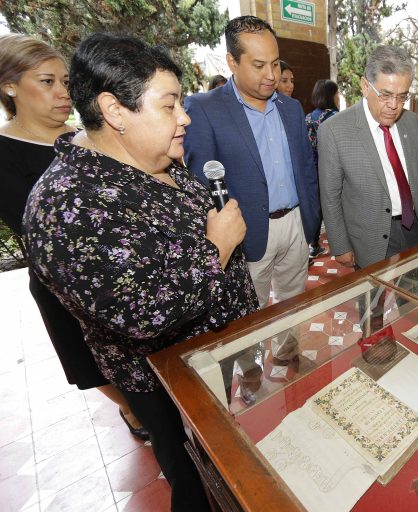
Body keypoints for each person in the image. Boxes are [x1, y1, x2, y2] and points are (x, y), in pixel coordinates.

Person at [23, 33, 258, 511]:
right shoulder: (66, 201)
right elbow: (140, 311)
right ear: (114, 111)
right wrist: (217, 247)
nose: (185, 118)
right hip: (169, 384)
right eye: (170, 105)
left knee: (241, 468)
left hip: (219, 356)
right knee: (200, 485)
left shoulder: (159, 160)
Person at [0, 33, 149, 440]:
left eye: (65, 82)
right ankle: (131, 410)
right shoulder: (5, 152)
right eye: (47, 82)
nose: (63, 92)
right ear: (9, 85)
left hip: (128, 270)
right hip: (64, 285)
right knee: (90, 364)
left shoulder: (85, 136)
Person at [184, 16, 321, 307]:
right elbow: (200, 188)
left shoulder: (292, 108)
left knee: (294, 307)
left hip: (296, 225)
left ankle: (287, 354)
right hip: (247, 234)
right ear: (232, 62)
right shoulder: (204, 108)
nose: (271, 75)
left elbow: (307, 170)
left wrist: (310, 221)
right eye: (259, 65)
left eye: (275, 63)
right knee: (248, 318)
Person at [318, 45, 418, 270]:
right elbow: (330, 196)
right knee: (372, 304)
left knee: (415, 299)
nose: (394, 106)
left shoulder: (411, 122)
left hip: (416, 228)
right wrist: (340, 245)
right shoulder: (334, 130)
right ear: (365, 86)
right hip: (370, 238)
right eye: (386, 95)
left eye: (402, 96)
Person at [305, 79, 340, 259]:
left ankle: (314, 244)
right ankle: (340, 243)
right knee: (333, 204)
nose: (339, 97)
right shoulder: (335, 117)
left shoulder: (309, 116)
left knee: (316, 207)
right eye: (337, 93)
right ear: (330, 95)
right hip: (330, 168)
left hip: (311, 169)